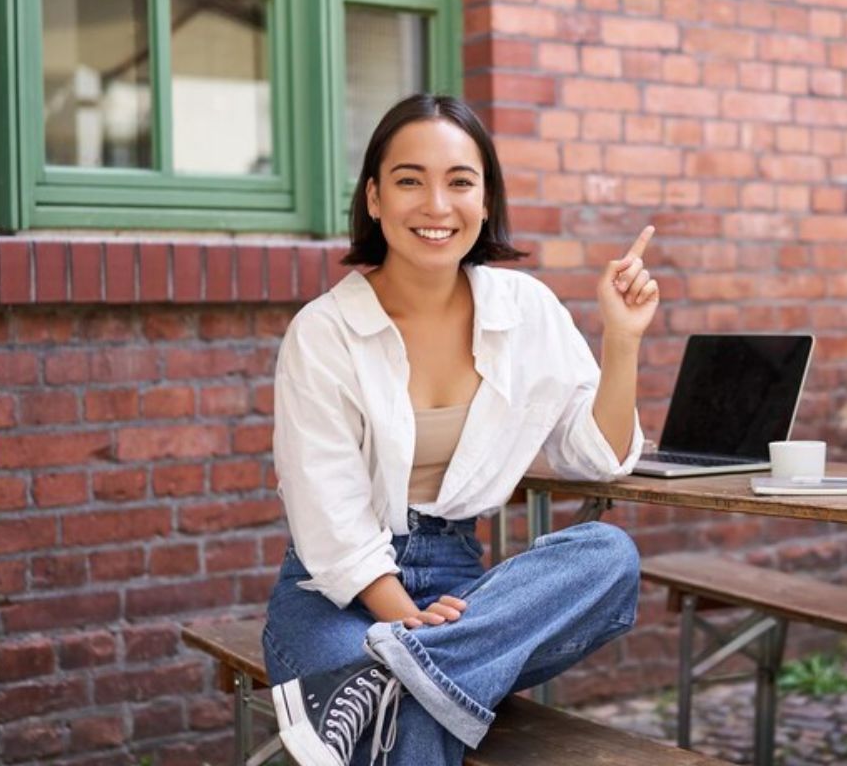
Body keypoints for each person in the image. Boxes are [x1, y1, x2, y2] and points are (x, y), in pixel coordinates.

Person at [262, 93, 660, 765]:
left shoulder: (526, 309)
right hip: (338, 595)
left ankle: (388, 675)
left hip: (464, 594)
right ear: (375, 199)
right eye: (410, 180)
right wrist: (398, 614)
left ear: (485, 201)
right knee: (412, 708)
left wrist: (622, 341)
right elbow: (325, 511)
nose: (437, 206)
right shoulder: (324, 333)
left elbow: (597, 459)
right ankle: (410, 673)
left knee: (609, 557)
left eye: (460, 183)